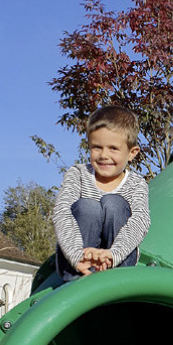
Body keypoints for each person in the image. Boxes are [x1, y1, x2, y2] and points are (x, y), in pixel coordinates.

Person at [52, 105, 150, 281]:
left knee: (114, 203)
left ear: (132, 153)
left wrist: (113, 255)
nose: (104, 155)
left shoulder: (136, 183)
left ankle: (117, 273)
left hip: (116, 258)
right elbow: (62, 212)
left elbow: (140, 221)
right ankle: (76, 276)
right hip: (78, 260)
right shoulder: (78, 174)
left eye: (113, 148)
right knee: (87, 206)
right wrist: (76, 255)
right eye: (97, 147)